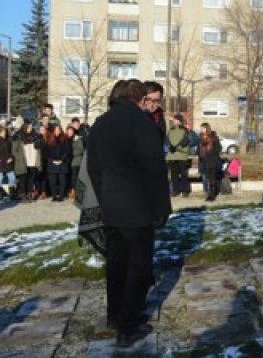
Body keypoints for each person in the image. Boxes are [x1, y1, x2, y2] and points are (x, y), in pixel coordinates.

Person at [87, 79, 171, 348]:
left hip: (111, 205)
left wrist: (104, 198)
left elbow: (93, 169)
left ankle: (114, 315)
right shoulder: (141, 123)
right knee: (138, 265)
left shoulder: (101, 124)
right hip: (138, 207)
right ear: (138, 98)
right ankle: (129, 325)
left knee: (116, 263)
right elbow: (154, 170)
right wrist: (161, 208)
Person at [12, 121, 42, 203]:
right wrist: (18, 158)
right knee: (23, 179)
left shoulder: (35, 135)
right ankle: (22, 195)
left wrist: (38, 142)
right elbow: (14, 150)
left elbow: (39, 146)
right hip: (22, 161)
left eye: (31, 126)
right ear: (25, 127)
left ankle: (29, 194)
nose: (31, 128)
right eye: (29, 126)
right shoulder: (18, 136)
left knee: (31, 178)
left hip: (32, 159)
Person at [43, 124, 70, 202]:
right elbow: (46, 153)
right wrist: (52, 160)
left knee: (62, 181)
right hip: (52, 163)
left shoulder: (65, 138)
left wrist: (61, 160)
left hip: (63, 163)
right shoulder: (48, 139)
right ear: (53, 130)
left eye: (59, 129)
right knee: (53, 181)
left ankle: (61, 196)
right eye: (56, 129)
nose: (57, 131)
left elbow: (67, 151)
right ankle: (54, 195)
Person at [166, 114, 191, 197]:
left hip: (181, 155)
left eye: (175, 119)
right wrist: (169, 146)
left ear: (179, 120)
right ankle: (175, 191)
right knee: (174, 175)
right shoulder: (171, 130)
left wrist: (177, 147)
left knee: (183, 175)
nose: (173, 121)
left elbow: (186, 140)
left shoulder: (184, 130)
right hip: (172, 156)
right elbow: (167, 139)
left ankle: (185, 191)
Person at [198, 123, 222, 202]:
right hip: (205, 161)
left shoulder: (213, 137)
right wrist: (199, 154)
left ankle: (212, 195)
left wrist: (211, 152)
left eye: (203, 128)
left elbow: (218, 147)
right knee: (208, 178)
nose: (202, 130)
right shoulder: (201, 137)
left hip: (213, 160)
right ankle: (210, 194)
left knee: (212, 179)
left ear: (207, 129)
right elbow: (199, 148)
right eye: (201, 128)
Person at [67, 125, 85, 199]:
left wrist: (72, 153)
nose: (69, 132)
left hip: (76, 161)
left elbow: (81, 149)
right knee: (70, 177)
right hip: (68, 161)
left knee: (75, 177)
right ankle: (71, 191)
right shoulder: (67, 139)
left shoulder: (78, 139)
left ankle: (75, 192)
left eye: (71, 131)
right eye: (68, 131)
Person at [0, 127, 15, 200]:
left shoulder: (8, 140)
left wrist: (11, 157)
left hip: (8, 162)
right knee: (0, 179)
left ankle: (11, 195)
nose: (4, 133)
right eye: (3, 132)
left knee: (12, 178)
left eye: (5, 132)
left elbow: (11, 151)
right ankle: (1, 195)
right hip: (1, 163)